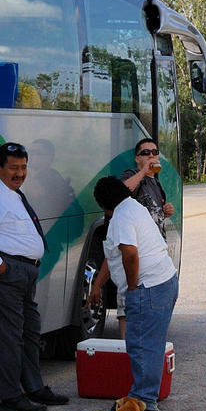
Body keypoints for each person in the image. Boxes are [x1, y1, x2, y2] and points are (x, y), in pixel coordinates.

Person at [0, 142, 69, 411]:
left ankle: (34, 388)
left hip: (21, 273)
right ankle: (10, 396)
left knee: (29, 331)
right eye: (13, 168)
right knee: (6, 337)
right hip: (3, 274)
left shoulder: (11, 192)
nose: (20, 173)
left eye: (23, 167)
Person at [93, 176, 178, 411]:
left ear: (104, 205)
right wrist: (97, 286)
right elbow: (115, 257)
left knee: (141, 344)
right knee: (151, 342)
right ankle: (148, 392)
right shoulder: (134, 207)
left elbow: (130, 255)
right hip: (165, 281)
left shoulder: (120, 217)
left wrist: (132, 290)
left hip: (148, 287)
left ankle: (144, 398)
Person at [89, 138, 175, 338]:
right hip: (140, 279)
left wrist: (163, 212)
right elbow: (120, 192)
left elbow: (124, 255)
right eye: (145, 153)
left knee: (141, 340)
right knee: (136, 336)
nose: (151, 155)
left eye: (154, 152)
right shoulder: (132, 178)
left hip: (148, 274)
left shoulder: (155, 183)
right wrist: (143, 171)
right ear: (137, 158)